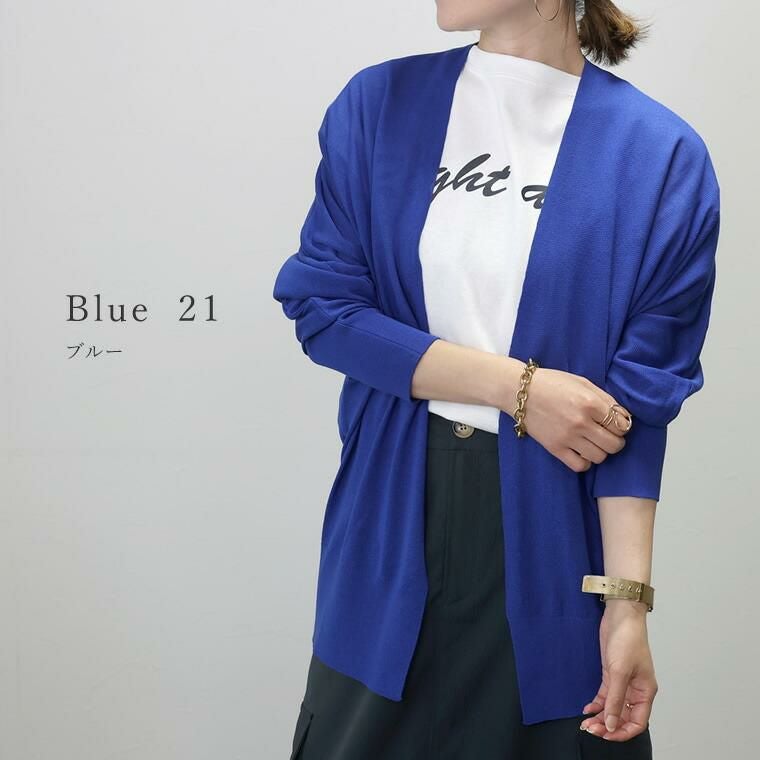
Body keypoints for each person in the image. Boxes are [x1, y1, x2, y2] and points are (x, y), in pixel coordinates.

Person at [273, 1, 721, 758]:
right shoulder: (380, 105)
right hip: (390, 523)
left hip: (556, 545)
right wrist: (520, 389)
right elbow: (325, 309)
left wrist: (626, 607)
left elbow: (638, 406)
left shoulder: (660, 155)